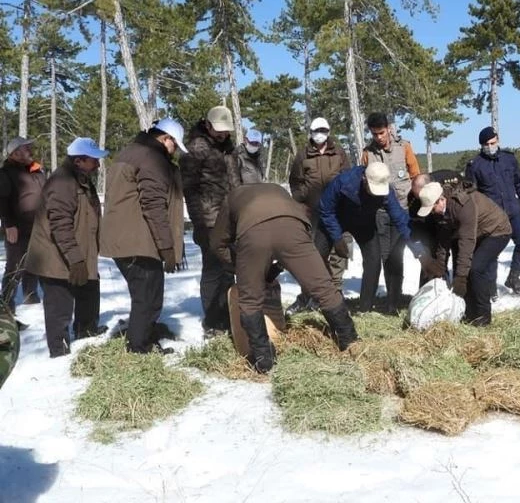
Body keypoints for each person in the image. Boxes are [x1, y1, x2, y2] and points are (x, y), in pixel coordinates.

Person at [210, 183, 359, 372]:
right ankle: (351, 342)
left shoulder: (232, 197)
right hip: (294, 228)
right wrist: (276, 267)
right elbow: (284, 245)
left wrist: (240, 266)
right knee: (324, 287)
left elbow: (217, 244)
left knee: (250, 300)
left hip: (253, 233)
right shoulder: (278, 189)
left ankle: (263, 360)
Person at [101, 120, 186, 354]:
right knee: (146, 298)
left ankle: (145, 337)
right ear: (165, 139)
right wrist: (167, 246)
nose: (175, 150)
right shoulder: (151, 159)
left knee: (147, 295)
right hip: (138, 240)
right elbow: (153, 205)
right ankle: (139, 349)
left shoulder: (132, 152)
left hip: (128, 238)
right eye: (175, 144)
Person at [25, 138, 108, 357]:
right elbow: (60, 225)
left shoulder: (80, 179)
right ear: (79, 160)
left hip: (78, 253)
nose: (98, 165)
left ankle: (86, 333)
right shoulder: (62, 182)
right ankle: (58, 350)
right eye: (94, 160)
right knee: (59, 304)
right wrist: (76, 259)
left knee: (89, 292)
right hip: (56, 257)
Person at [319, 162, 423, 313]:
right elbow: (326, 210)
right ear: (364, 179)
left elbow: (400, 219)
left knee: (374, 262)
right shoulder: (343, 182)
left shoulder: (386, 191)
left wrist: (417, 249)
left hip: (364, 223)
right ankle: (319, 299)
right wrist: (337, 238)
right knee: (317, 255)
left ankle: (365, 308)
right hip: (336, 219)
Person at [180, 105, 241, 337]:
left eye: (227, 131)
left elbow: (235, 181)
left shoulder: (227, 149)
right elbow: (190, 190)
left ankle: (228, 314)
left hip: (231, 217)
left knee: (229, 268)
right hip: (209, 220)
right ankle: (213, 321)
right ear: (207, 125)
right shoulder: (196, 148)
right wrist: (199, 224)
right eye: (219, 130)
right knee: (214, 270)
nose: (223, 134)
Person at [417, 181, 511, 326]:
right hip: (478, 232)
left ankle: (483, 316)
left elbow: (466, 242)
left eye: (432, 208)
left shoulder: (463, 206)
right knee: (464, 269)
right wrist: (439, 268)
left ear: (441, 200)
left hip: (497, 230)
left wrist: (461, 277)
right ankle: (468, 312)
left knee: (475, 269)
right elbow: (443, 242)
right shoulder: (440, 212)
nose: (431, 212)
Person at [287, 116, 352, 315]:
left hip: (336, 210)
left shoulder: (339, 152)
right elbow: (295, 181)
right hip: (312, 211)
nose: (319, 134)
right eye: (316, 131)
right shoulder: (303, 154)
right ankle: (311, 294)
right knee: (313, 253)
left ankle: (336, 292)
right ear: (311, 132)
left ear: (329, 132)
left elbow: (347, 178)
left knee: (338, 252)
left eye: (323, 130)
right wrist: (301, 200)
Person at [361, 113, 421, 312]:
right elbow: (363, 179)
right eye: (374, 133)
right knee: (385, 256)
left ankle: (396, 297)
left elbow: (416, 176)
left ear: (388, 128)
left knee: (397, 255)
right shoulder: (367, 153)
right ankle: (390, 301)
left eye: (382, 132)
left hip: (402, 211)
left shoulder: (404, 147)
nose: (379, 137)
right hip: (379, 212)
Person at [465, 127, 520, 297]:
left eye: (493, 143)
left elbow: (519, 182)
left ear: (498, 140)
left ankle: (513, 277)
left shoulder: (509, 159)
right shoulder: (475, 166)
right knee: (491, 252)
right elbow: (471, 195)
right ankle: (490, 288)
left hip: (513, 210)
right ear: (481, 145)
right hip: (491, 218)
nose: (490, 146)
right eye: (486, 144)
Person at [0, 136, 45, 312]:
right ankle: (6, 304)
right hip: (17, 227)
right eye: (27, 148)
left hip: (38, 224)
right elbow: (2, 200)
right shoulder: (6, 173)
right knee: (15, 266)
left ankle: (30, 295)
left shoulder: (35, 170)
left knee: (35, 261)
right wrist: (8, 225)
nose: (31, 150)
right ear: (16, 153)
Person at [408, 170, 465, 286]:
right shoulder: (413, 197)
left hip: (455, 223)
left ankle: (458, 291)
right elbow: (416, 224)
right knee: (433, 260)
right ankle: (429, 290)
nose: (419, 199)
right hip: (430, 227)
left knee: (459, 256)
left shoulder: (451, 179)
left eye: (421, 197)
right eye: (417, 197)